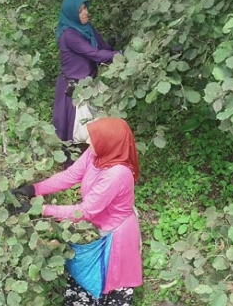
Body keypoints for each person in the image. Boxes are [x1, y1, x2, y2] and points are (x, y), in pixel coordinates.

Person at [12, 118, 142, 305]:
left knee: (109, 284)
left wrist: (40, 210)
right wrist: (34, 189)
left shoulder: (117, 174)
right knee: (88, 278)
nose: (89, 144)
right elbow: (70, 176)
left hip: (114, 237)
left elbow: (85, 211)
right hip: (96, 227)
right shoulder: (96, 154)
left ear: (109, 143)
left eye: (94, 140)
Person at [53, 0, 122, 168]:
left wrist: (112, 51)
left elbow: (102, 47)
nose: (85, 12)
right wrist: (120, 55)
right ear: (72, 14)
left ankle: (97, 162)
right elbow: (94, 54)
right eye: (80, 10)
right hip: (75, 87)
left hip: (90, 82)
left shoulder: (86, 27)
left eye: (85, 8)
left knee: (97, 125)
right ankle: (74, 168)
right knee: (76, 132)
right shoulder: (69, 35)